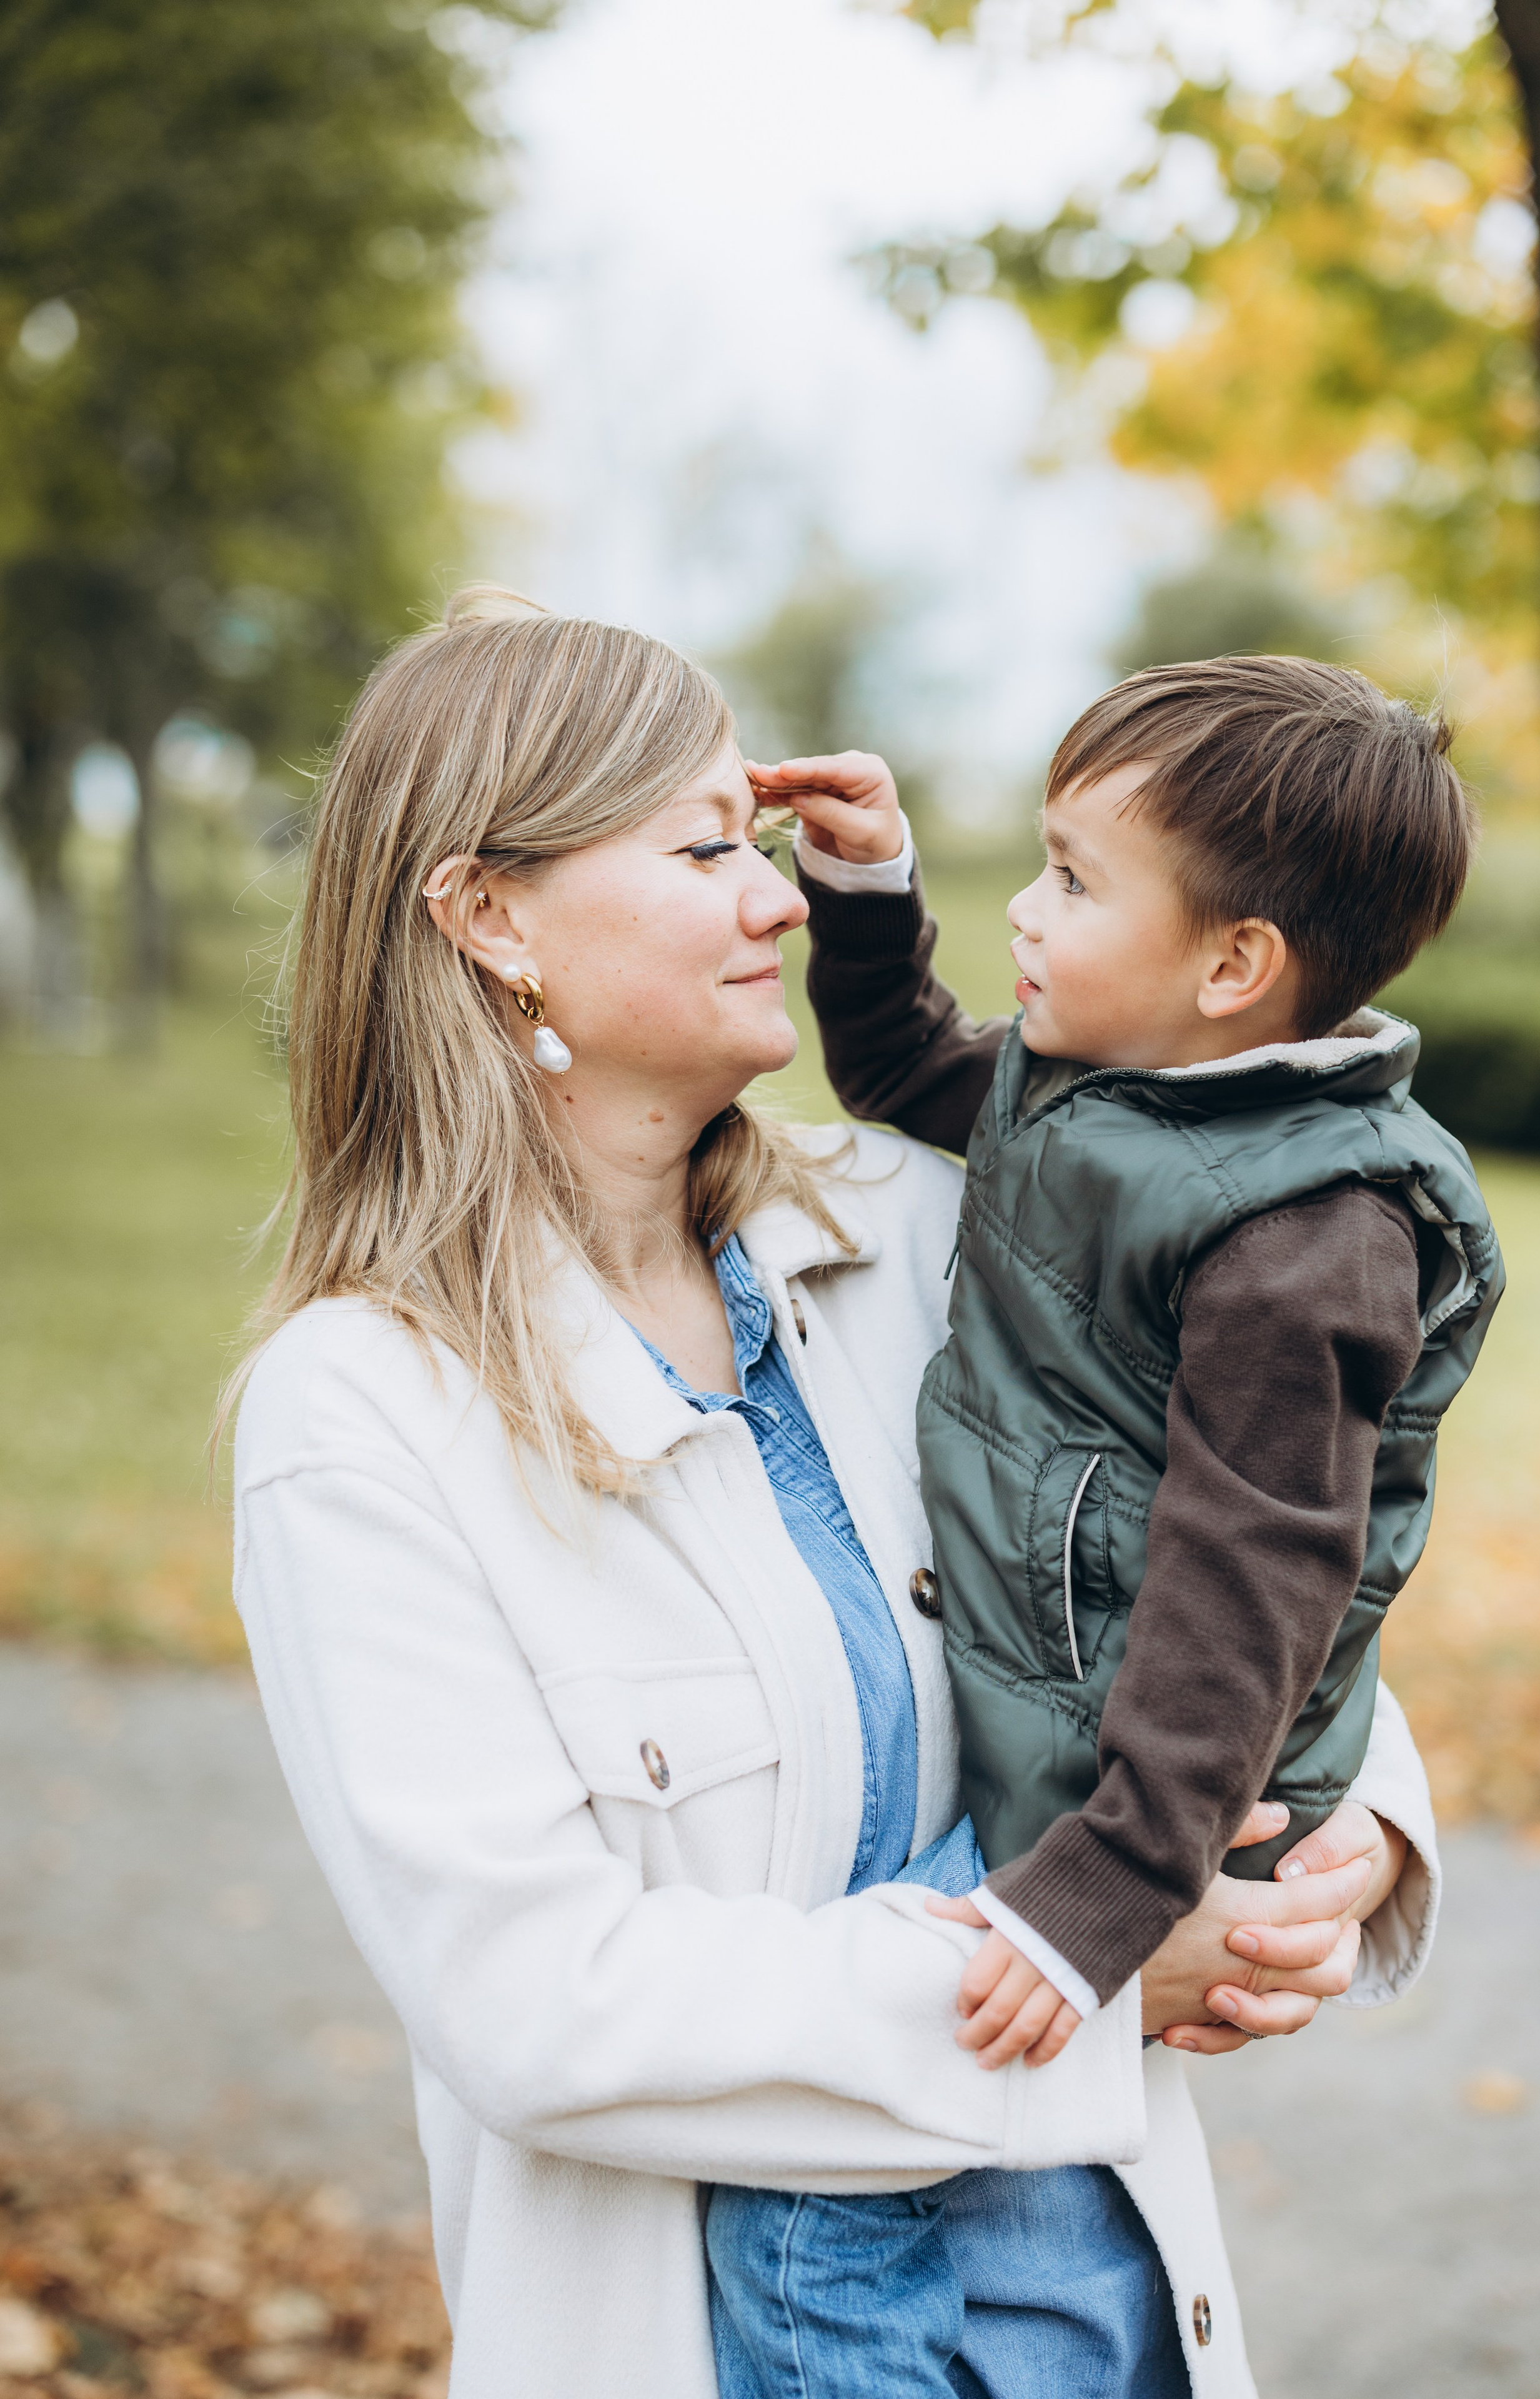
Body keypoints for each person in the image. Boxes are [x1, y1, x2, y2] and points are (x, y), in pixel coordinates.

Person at [227, 596, 1444, 2399]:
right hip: (722, 2345)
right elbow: (539, 2006)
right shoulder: (363, 1413)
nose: (783, 900)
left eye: (773, 844)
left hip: (1103, 2314)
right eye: (711, 847)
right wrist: (1089, 1968)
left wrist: (1350, 1844)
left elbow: (1227, 1544)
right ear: (490, 917)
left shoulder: (925, 1226)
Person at [708, 660, 1499, 2395]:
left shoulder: (1306, 1238)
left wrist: (1101, 1895)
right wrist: (864, 886)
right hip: (1085, 1742)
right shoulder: (1108, 1097)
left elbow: (1257, 1585)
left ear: (1234, 969)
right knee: (937, 2171)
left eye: (1074, 879)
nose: (1028, 909)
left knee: (824, 2175)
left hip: (1137, 1785)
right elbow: (909, 1063)